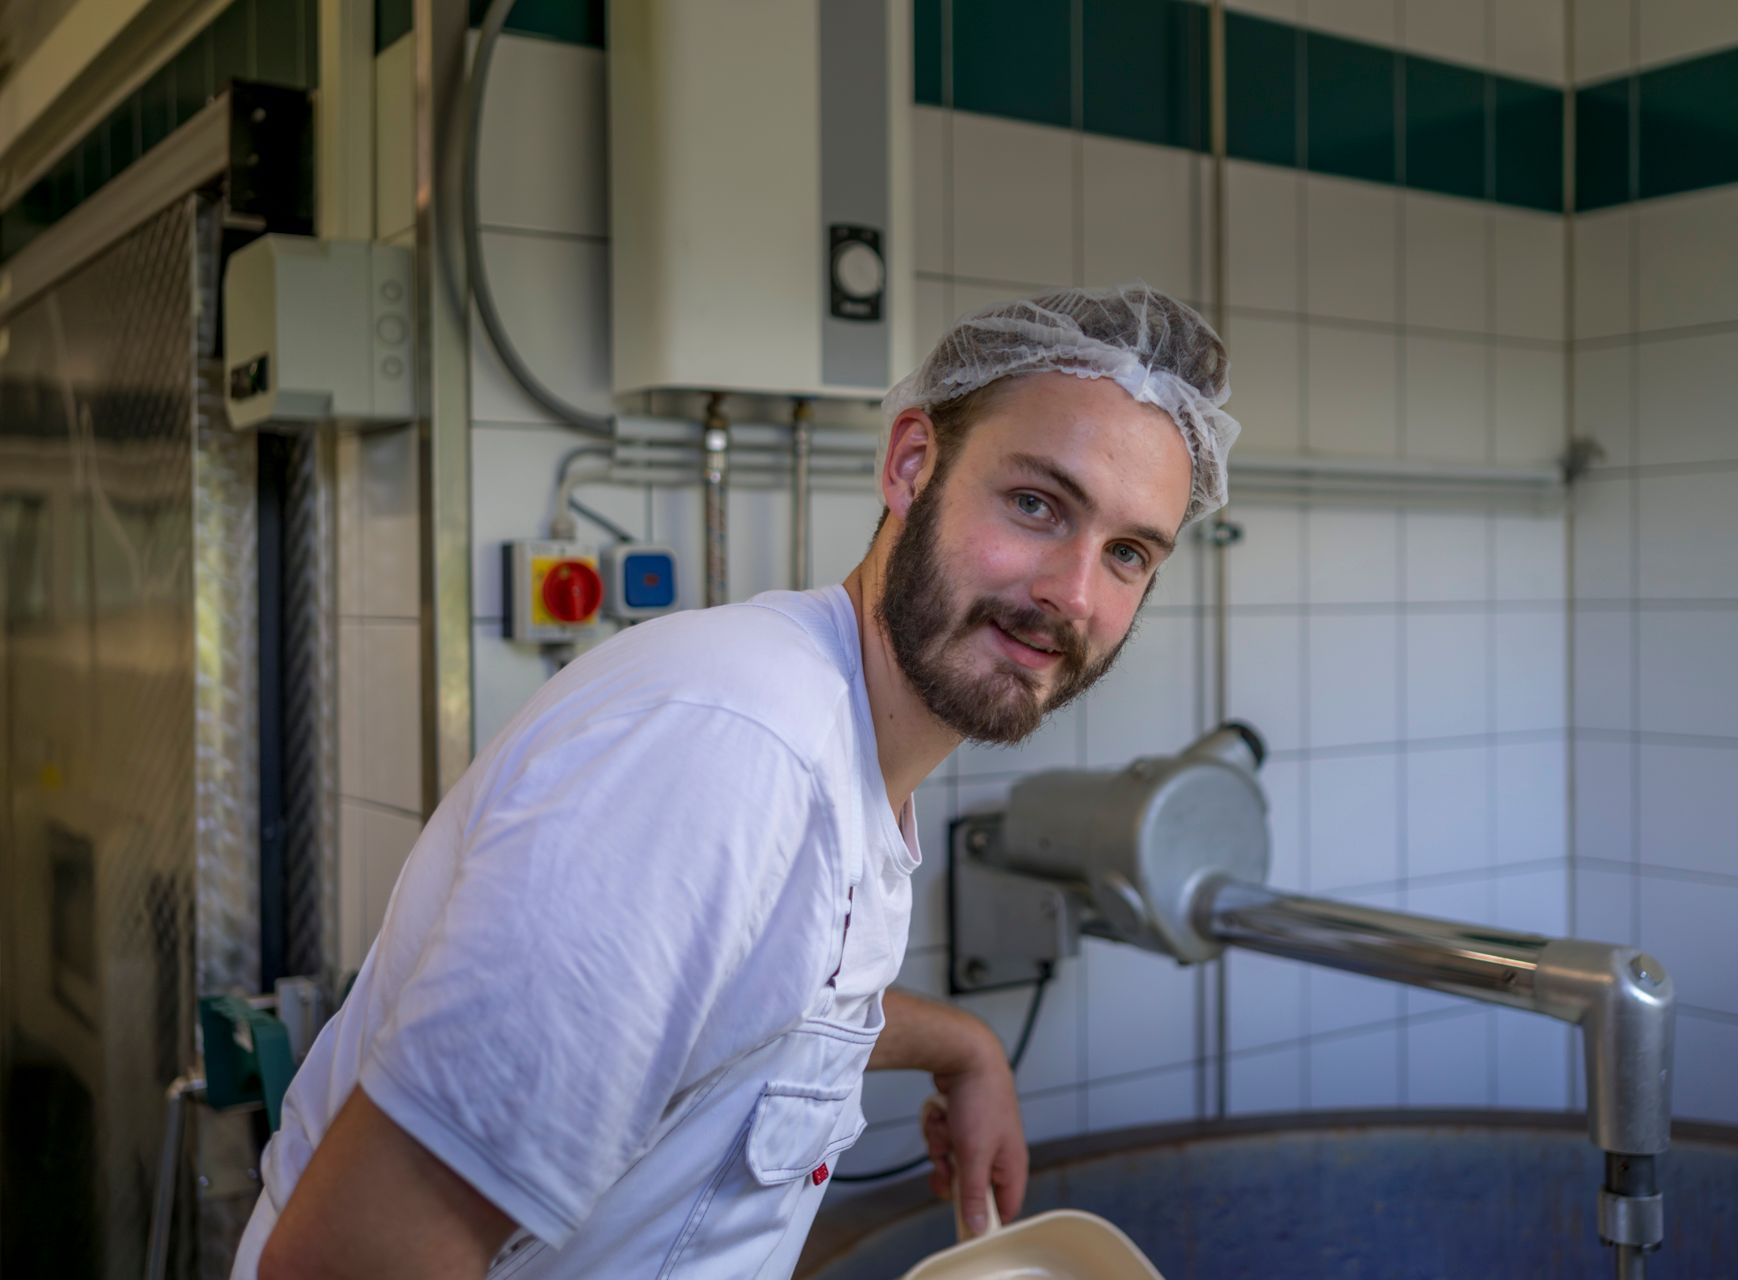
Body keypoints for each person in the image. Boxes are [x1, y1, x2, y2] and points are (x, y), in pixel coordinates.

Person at [237, 283, 1239, 1279]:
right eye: (1035, 504)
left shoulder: (843, 740)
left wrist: (964, 1045)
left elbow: (740, 992)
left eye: (1126, 554)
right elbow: (344, 1259)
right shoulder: (727, 755)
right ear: (911, 464)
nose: (1070, 592)